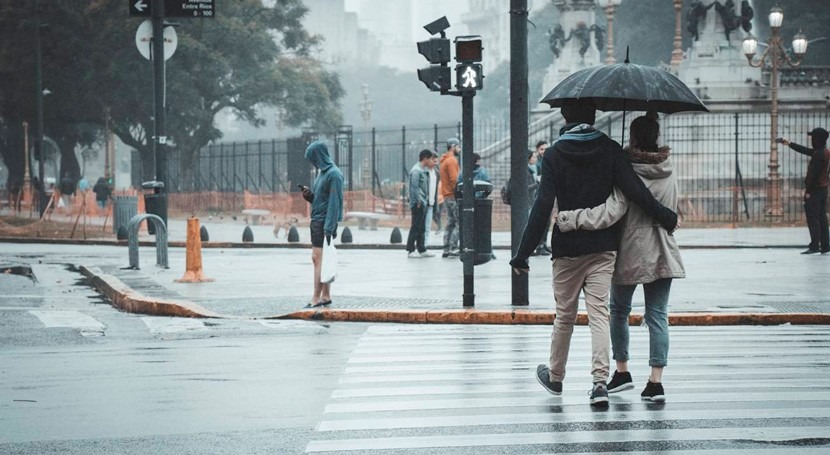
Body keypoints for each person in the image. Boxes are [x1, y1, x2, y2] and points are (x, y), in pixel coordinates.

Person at [508, 102, 678, 407]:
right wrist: (664, 214)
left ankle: (556, 377)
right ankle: (600, 383)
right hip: (603, 247)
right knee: (600, 314)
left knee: (565, 316)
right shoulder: (611, 150)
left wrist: (522, 253)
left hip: (567, 249)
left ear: (564, 117)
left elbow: (542, 205)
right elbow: (635, 190)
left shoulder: (555, 154)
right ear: (595, 116)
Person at [556, 115, 686, 402]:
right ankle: (655, 382)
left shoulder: (626, 169)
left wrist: (573, 219)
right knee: (658, 316)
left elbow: (614, 210)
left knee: (617, 312)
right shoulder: (669, 167)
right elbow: (672, 207)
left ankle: (622, 371)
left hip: (630, 248)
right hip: (663, 249)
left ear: (633, 136)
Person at [300, 141, 344, 308]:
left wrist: (329, 227)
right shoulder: (322, 174)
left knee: (317, 259)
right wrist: (309, 196)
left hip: (324, 222)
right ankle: (325, 296)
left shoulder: (334, 175)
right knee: (322, 260)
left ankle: (316, 298)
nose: (313, 162)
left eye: (313, 158)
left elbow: (334, 203)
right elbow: (321, 199)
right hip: (318, 220)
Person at [780, 128, 830, 254]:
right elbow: (806, 151)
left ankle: (814, 246)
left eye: (813, 137)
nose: (811, 139)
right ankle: (825, 245)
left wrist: (808, 191)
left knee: (813, 218)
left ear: (817, 139)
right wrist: (789, 143)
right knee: (822, 218)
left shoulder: (819, 154)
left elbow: (814, 175)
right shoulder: (824, 151)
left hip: (815, 190)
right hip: (823, 189)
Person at [407, 149, 436, 258]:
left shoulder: (422, 170)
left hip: (423, 202)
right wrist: (418, 201)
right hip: (418, 203)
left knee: (422, 227)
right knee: (415, 226)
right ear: (425, 159)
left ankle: (421, 248)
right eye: (430, 159)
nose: (431, 161)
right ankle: (410, 249)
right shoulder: (416, 171)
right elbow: (414, 188)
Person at [439, 138, 461, 258]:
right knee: (459, 222)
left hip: (446, 195)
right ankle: (454, 247)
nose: (460, 149)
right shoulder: (452, 161)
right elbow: (454, 179)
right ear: (453, 146)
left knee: (450, 222)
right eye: (458, 146)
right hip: (453, 195)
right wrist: (459, 193)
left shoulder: (444, 161)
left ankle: (446, 247)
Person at [533, 141, 552, 256]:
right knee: (542, 221)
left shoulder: (547, 160)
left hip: (546, 193)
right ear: (537, 150)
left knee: (547, 221)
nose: (544, 151)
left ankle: (543, 244)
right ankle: (540, 245)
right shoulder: (536, 162)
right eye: (541, 149)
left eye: (545, 148)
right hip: (539, 194)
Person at [424, 152, 440, 247]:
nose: (435, 163)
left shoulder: (436, 172)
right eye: (433, 161)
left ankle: (424, 246)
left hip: (431, 202)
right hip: (423, 202)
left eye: (436, 162)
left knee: (427, 227)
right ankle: (418, 246)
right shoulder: (423, 171)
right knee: (420, 227)